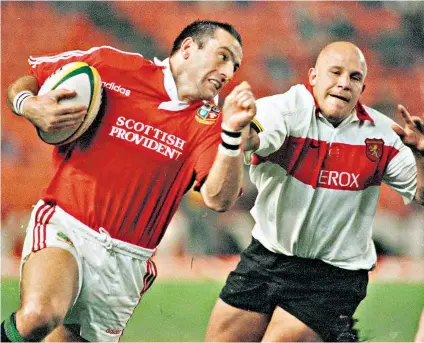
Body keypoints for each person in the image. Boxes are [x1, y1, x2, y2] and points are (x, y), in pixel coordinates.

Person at [2, 20, 257, 342]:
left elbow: (219, 199)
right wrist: (29, 105)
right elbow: (32, 77)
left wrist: (232, 134)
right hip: (67, 223)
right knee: (40, 315)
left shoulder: (210, 121)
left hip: (127, 261)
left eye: (235, 65)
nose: (228, 72)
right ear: (189, 48)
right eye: (222, 56)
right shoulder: (112, 65)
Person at [205, 41, 424, 342]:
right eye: (335, 72)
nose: (344, 83)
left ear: (363, 87)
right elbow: (254, 135)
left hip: (334, 274)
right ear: (313, 77)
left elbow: (421, 194)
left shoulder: (384, 135)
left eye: (355, 77)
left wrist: (421, 159)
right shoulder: (283, 110)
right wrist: (237, 128)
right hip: (267, 256)